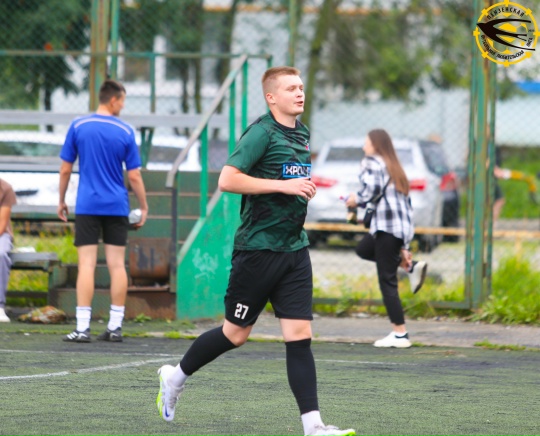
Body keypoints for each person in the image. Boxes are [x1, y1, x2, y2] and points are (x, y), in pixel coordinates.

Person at [155, 67, 355, 436]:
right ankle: (175, 377)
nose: (299, 93)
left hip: (294, 249)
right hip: (258, 250)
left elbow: (293, 179)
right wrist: (284, 186)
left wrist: (303, 187)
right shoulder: (261, 133)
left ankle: (314, 427)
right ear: (271, 97)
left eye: (301, 86)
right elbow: (228, 179)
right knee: (235, 334)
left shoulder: (302, 133)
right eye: (291, 88)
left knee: (299, 335)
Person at [58, 79, 148, 343]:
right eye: (123, 101)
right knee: (117, 265)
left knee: (86, 264)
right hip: (117, 206)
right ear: (113, 100)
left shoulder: (78, 126)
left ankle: (82, 328)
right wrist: (143, 206)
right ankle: (115, 326)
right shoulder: (125, 130)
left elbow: (65, 169)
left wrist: (61, 200)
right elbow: (134, 175)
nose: (123, 106)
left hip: (87, 205)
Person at [345, 129, 427, 349]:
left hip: (386, 228)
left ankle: (400, 334)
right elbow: (407, 208)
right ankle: (410, 266)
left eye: (366, 142)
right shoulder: (395, 167)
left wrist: (355, 200)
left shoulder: (372, 162)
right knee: (364, 249)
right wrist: (405, 245)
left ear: (376, 145)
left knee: (387, 280)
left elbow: (371, 190)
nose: (364, 146)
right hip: (397, 229)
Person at [0, 179, 16, 323]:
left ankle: (0, 306)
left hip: (1, 234)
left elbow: (2, 224)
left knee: (1, 255)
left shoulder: (5, 188)